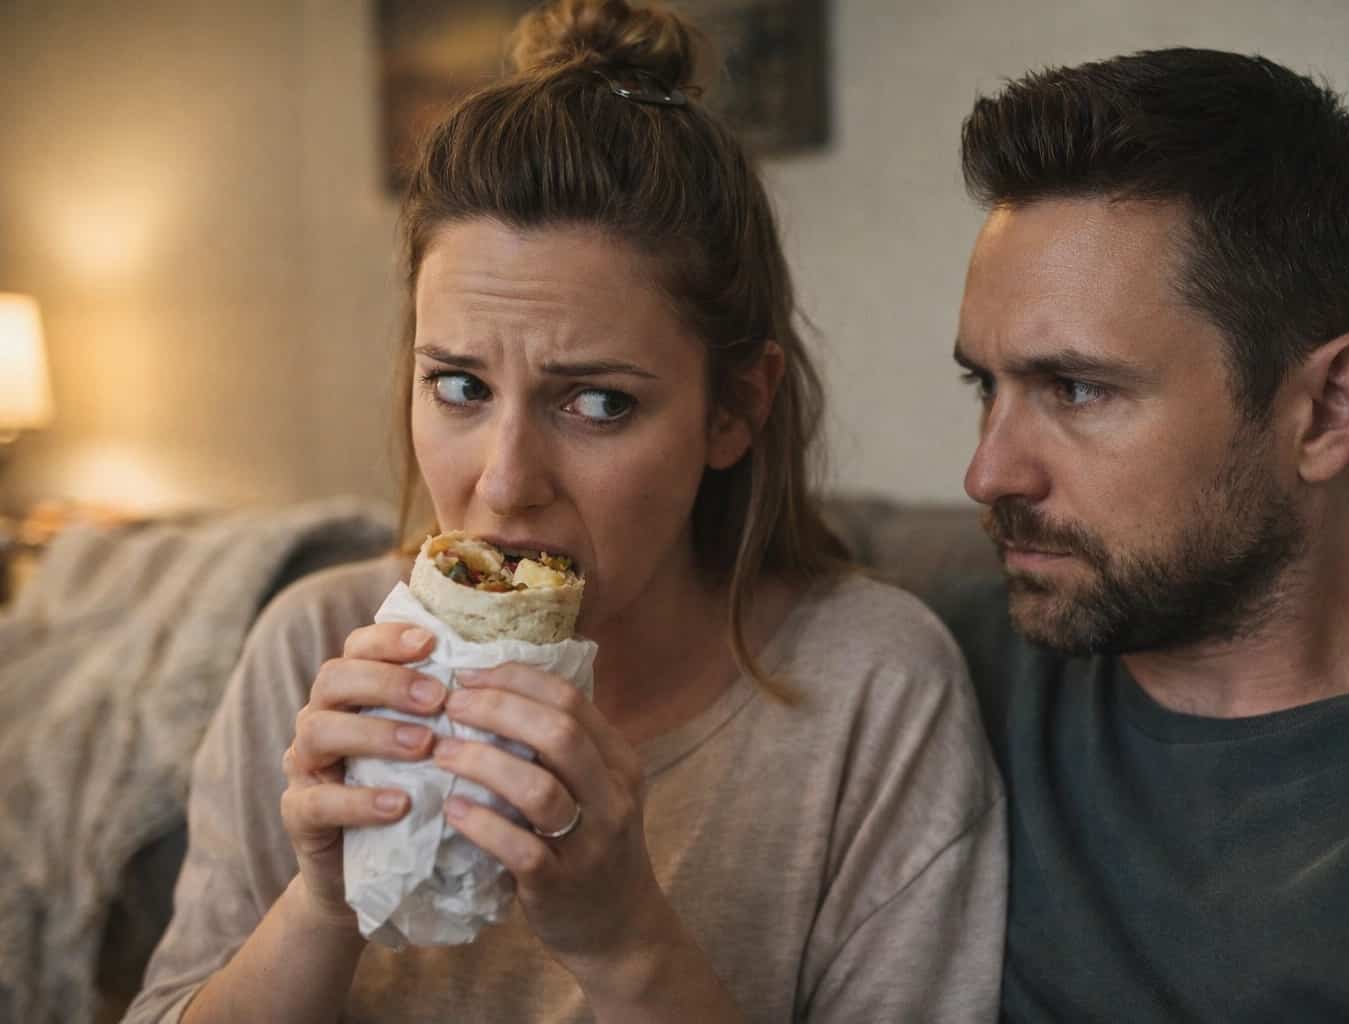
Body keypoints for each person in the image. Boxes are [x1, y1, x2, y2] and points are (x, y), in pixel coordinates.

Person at [125, 2, 1004, 1020]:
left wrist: (625, 941)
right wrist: (323, 904)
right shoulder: (312, 649)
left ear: (733, 409)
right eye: (460, 386)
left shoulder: (873, 690)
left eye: (597, 403)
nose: (505, 483)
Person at [942, 47, 1349, 1021]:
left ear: (1332, 409)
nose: (987, 473)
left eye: (1077, 388)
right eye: (986, 384)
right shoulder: (941, 674)